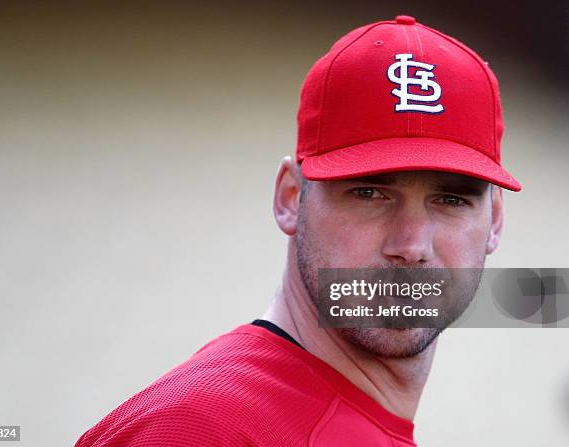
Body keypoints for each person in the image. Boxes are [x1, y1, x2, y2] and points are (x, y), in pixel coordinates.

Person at [75, 15, 521, 446]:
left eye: (451, 200)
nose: (411, 246)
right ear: (290, 198)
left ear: (495, 220)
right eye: (368, 193)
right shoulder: (200, 430)